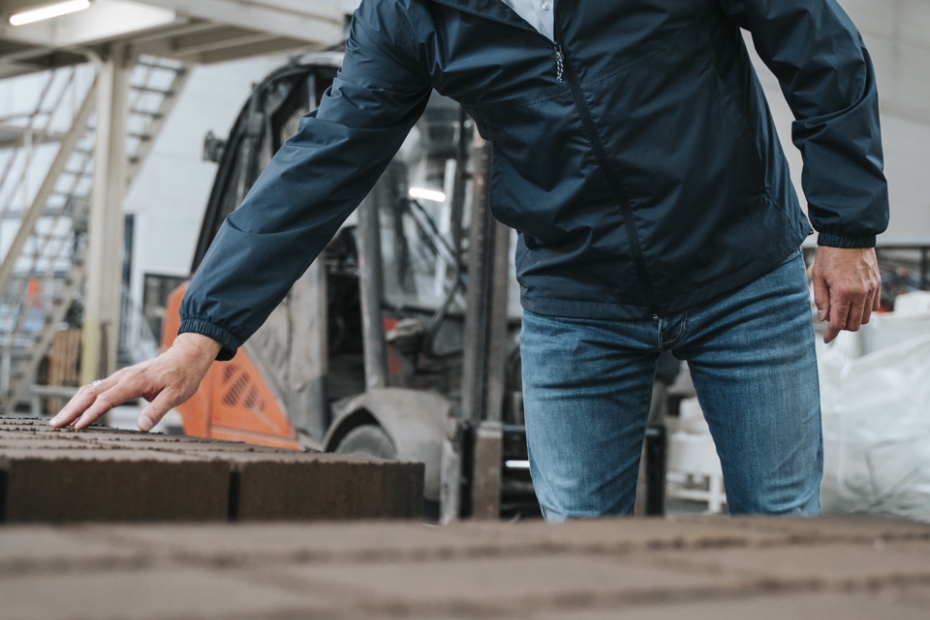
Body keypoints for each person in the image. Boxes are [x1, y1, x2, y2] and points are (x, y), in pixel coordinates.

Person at [51, 0, 887, 519]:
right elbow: (328, 156)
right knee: (575, 558)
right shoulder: (412, 12)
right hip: (576, 298)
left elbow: (818, 45)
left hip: (740, 268)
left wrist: (849, 229)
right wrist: (201, 336)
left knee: (778, 523)